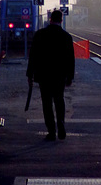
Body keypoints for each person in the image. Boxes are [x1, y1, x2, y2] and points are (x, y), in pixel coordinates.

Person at [26, 10, 75, 141]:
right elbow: (71, 59)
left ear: (50, 19)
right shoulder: (66, 37)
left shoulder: (40, 35)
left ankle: (51, 131)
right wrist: (70, 77)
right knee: (59, 100)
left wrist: (29, 74)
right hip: (60, 76)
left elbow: (33, 56)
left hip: (44, 75)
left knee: (46, 103)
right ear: (61, 20)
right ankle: (61, 123)